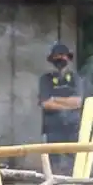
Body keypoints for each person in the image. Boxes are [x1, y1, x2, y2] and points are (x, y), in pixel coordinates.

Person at [38, 43, 86, 176]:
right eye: (56, 56)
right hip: (52, 128)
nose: (59, 58)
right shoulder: (45, 79)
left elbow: (78, 102)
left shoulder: (76, 79)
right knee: (53, 162)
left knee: (74, 160)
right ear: (52, 59)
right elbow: (45, 103)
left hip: (73, 127)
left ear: (68, 58)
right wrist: (67, 104)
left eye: (62, 55)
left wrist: (55, 99)